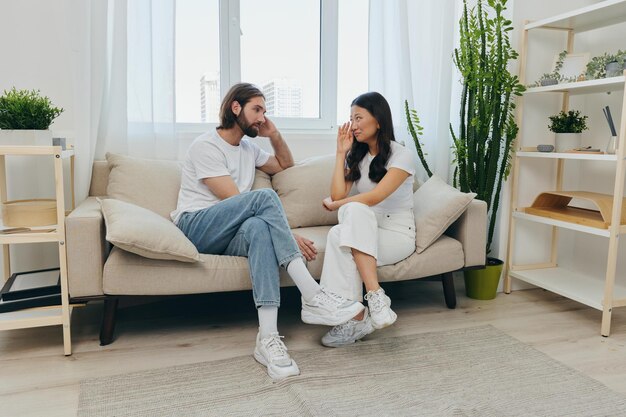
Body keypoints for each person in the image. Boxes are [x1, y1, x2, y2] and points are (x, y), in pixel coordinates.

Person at [172, 83, 364, 379]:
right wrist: (287, 234)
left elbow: (286, 164)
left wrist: (274, 135)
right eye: (256, 110)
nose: (261, 117)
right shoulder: (205, 146)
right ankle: (312, 294)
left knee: (260, 229)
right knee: (262, 199)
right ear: (235, 108)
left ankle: (268, 337)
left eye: (264, 110)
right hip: (197, 226)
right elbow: (235, 200)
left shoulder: (250, 148)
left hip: (231, 232)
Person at [319, 92, 417, 348]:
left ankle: (372, 297)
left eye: (359, 117)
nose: (353, 124)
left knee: (353, 211)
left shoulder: (402, 155)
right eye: (351, 118)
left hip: (396, 233)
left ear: (379, 120)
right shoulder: (359, 155)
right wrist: (341, 153)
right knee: (337, 233)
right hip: (366, 230)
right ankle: (358, 315)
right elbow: (339, 193)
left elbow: (374, 197)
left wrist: (336, 205)